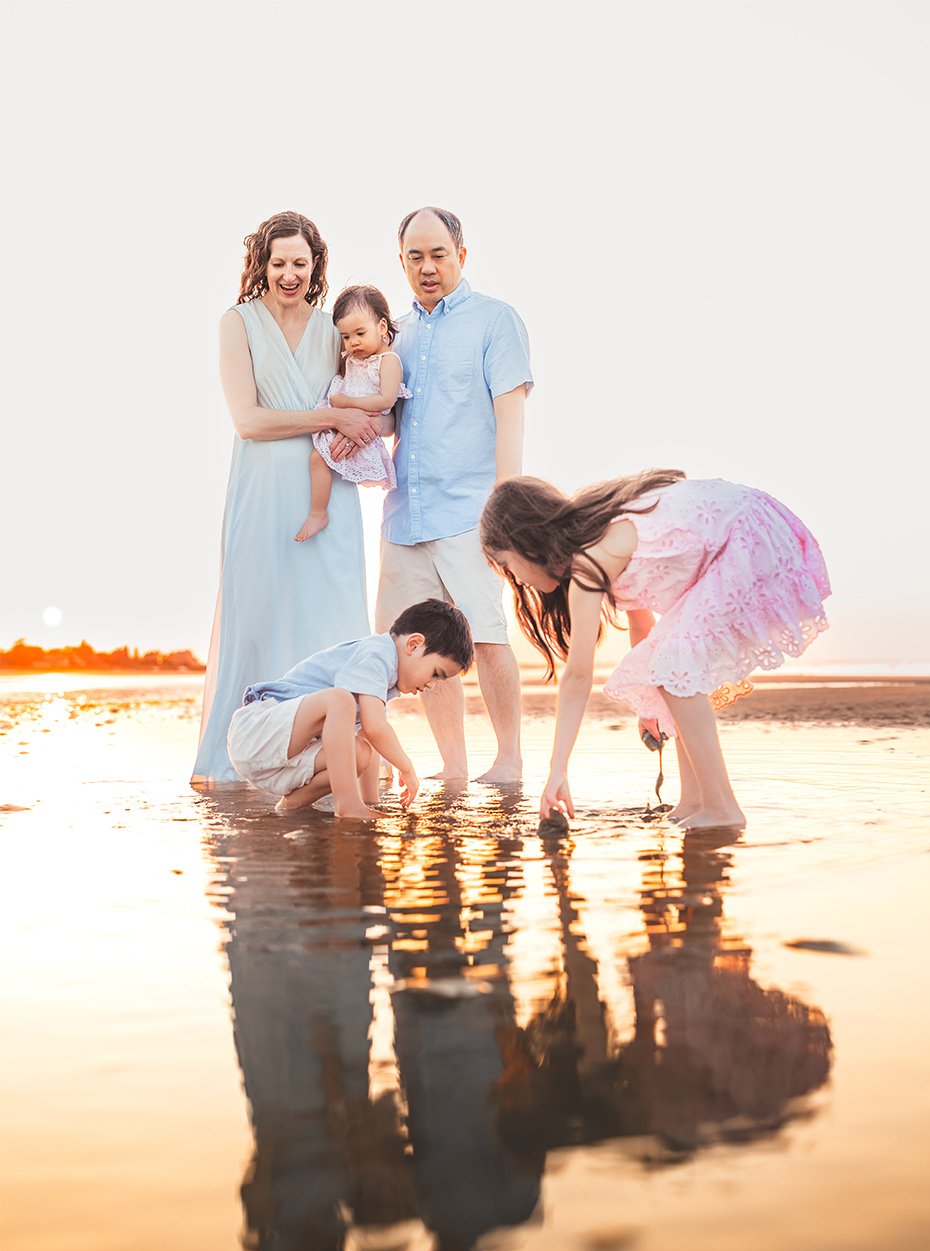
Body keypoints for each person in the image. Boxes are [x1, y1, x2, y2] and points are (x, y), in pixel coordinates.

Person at [479, 469, 832, 829]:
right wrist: (654, 707)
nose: (517, 581)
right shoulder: (600, 540)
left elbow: (578, 674)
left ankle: (722, 807)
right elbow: (643, 630)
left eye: (507, 566)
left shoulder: (592, 561)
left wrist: (557, 771)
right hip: (750, 526)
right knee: (672, 665)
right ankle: (694, 801)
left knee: (673, 665)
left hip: (747, 536)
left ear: (526, 542)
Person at [193, 211, 386, 783]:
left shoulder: (335, 331)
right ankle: (237, 761)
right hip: (261, 492)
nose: (289, 274)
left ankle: (332, 762)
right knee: (256, 618)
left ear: (315, 266)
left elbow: (373, 394)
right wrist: (330, 414)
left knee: (331, 621)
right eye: (279, 262)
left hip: (328, 498)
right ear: (262, 263)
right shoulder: (238, 323)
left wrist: (365, 418)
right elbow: (247, 420)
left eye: (301, 263)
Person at [368, 206, 531, 785]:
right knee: (421, 649)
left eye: (438, 253)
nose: (427, 266)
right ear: (403, 262)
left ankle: (508, 759)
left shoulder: (495, 321)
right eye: (415, 256)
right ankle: (455, 767)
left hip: (470, 515)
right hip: (404, 518)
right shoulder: (397, 335)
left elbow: (509, 417)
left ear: (462, 254)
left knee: (486, 636)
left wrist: (505, 509)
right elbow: (389, 421)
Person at [224, 599, 473, 818]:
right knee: (339, 700)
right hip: (256, 731)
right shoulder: (377, 655)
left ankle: (292, 805)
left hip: (278, 755)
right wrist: (406, 767)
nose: (431, 685)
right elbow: (376, 728)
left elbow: (370, 735)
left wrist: (372, 802)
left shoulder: (383, 683)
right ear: (414, 644)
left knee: (359, 752)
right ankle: (347, 805)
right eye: (436, 674)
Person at [297, 286, 406, 543]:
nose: (353, 342)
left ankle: (318, 513)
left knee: (319, 459)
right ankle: (318, 511)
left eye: (360, 333)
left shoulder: (388, 361)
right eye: (346, 337)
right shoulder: (351, 358)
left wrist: (346, 402)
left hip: (362, 427)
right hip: (342, 422)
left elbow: (386, 400)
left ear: (381, 327)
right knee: (316, 459)